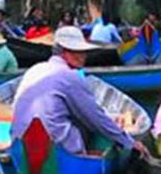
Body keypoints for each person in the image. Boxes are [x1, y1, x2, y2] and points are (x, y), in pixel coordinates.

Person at [12, 26, 149, 158]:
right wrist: (129, 142)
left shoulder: (35, 69)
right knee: (90, 126)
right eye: (77, 51)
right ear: (64, 52)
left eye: (83, 51)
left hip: (19, 143)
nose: (84, 56)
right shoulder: (70, 77)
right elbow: (95, 117)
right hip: (55, 147)